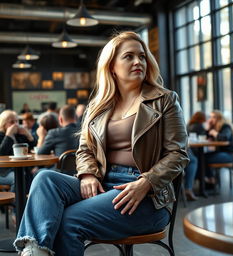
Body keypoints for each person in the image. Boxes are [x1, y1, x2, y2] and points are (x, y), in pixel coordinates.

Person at [14, 31, 189, 256]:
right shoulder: (98, 106)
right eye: (129, 56)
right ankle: (34, 251)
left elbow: (178, 154)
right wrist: (87, 174)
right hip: (104, 182)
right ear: (112, 66)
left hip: (147, 196)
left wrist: (147, 182)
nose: (138, 61)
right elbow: (85, 149)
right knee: (45, 178)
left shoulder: (165, 100)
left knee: (68, 220)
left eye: (142, 56)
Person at [0, 110, 36, 190]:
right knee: (18, 177)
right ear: (3, 124)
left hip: (21, 168)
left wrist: (28, 135)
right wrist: (8, 136)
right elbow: (1, 153)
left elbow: (33, 149)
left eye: (16, 121)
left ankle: (25, 200)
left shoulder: (19, 135)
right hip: (3, 171)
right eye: (12, 122)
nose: (15, 124)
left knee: (30, 175)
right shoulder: (1, 135)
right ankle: (15, 202)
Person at [205, 110, 233, 185]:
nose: (211, 119)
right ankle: (209, 179)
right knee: (201, 157)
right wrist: (208, 128)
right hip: (219, 153)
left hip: (228, 155)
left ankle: (211, 180)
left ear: (219, 118)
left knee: (203, 158)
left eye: (214, 117)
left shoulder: (225, 126)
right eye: (210, 117)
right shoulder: (214, 128)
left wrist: (215, 133)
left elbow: (225, 137)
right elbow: (206, 138)